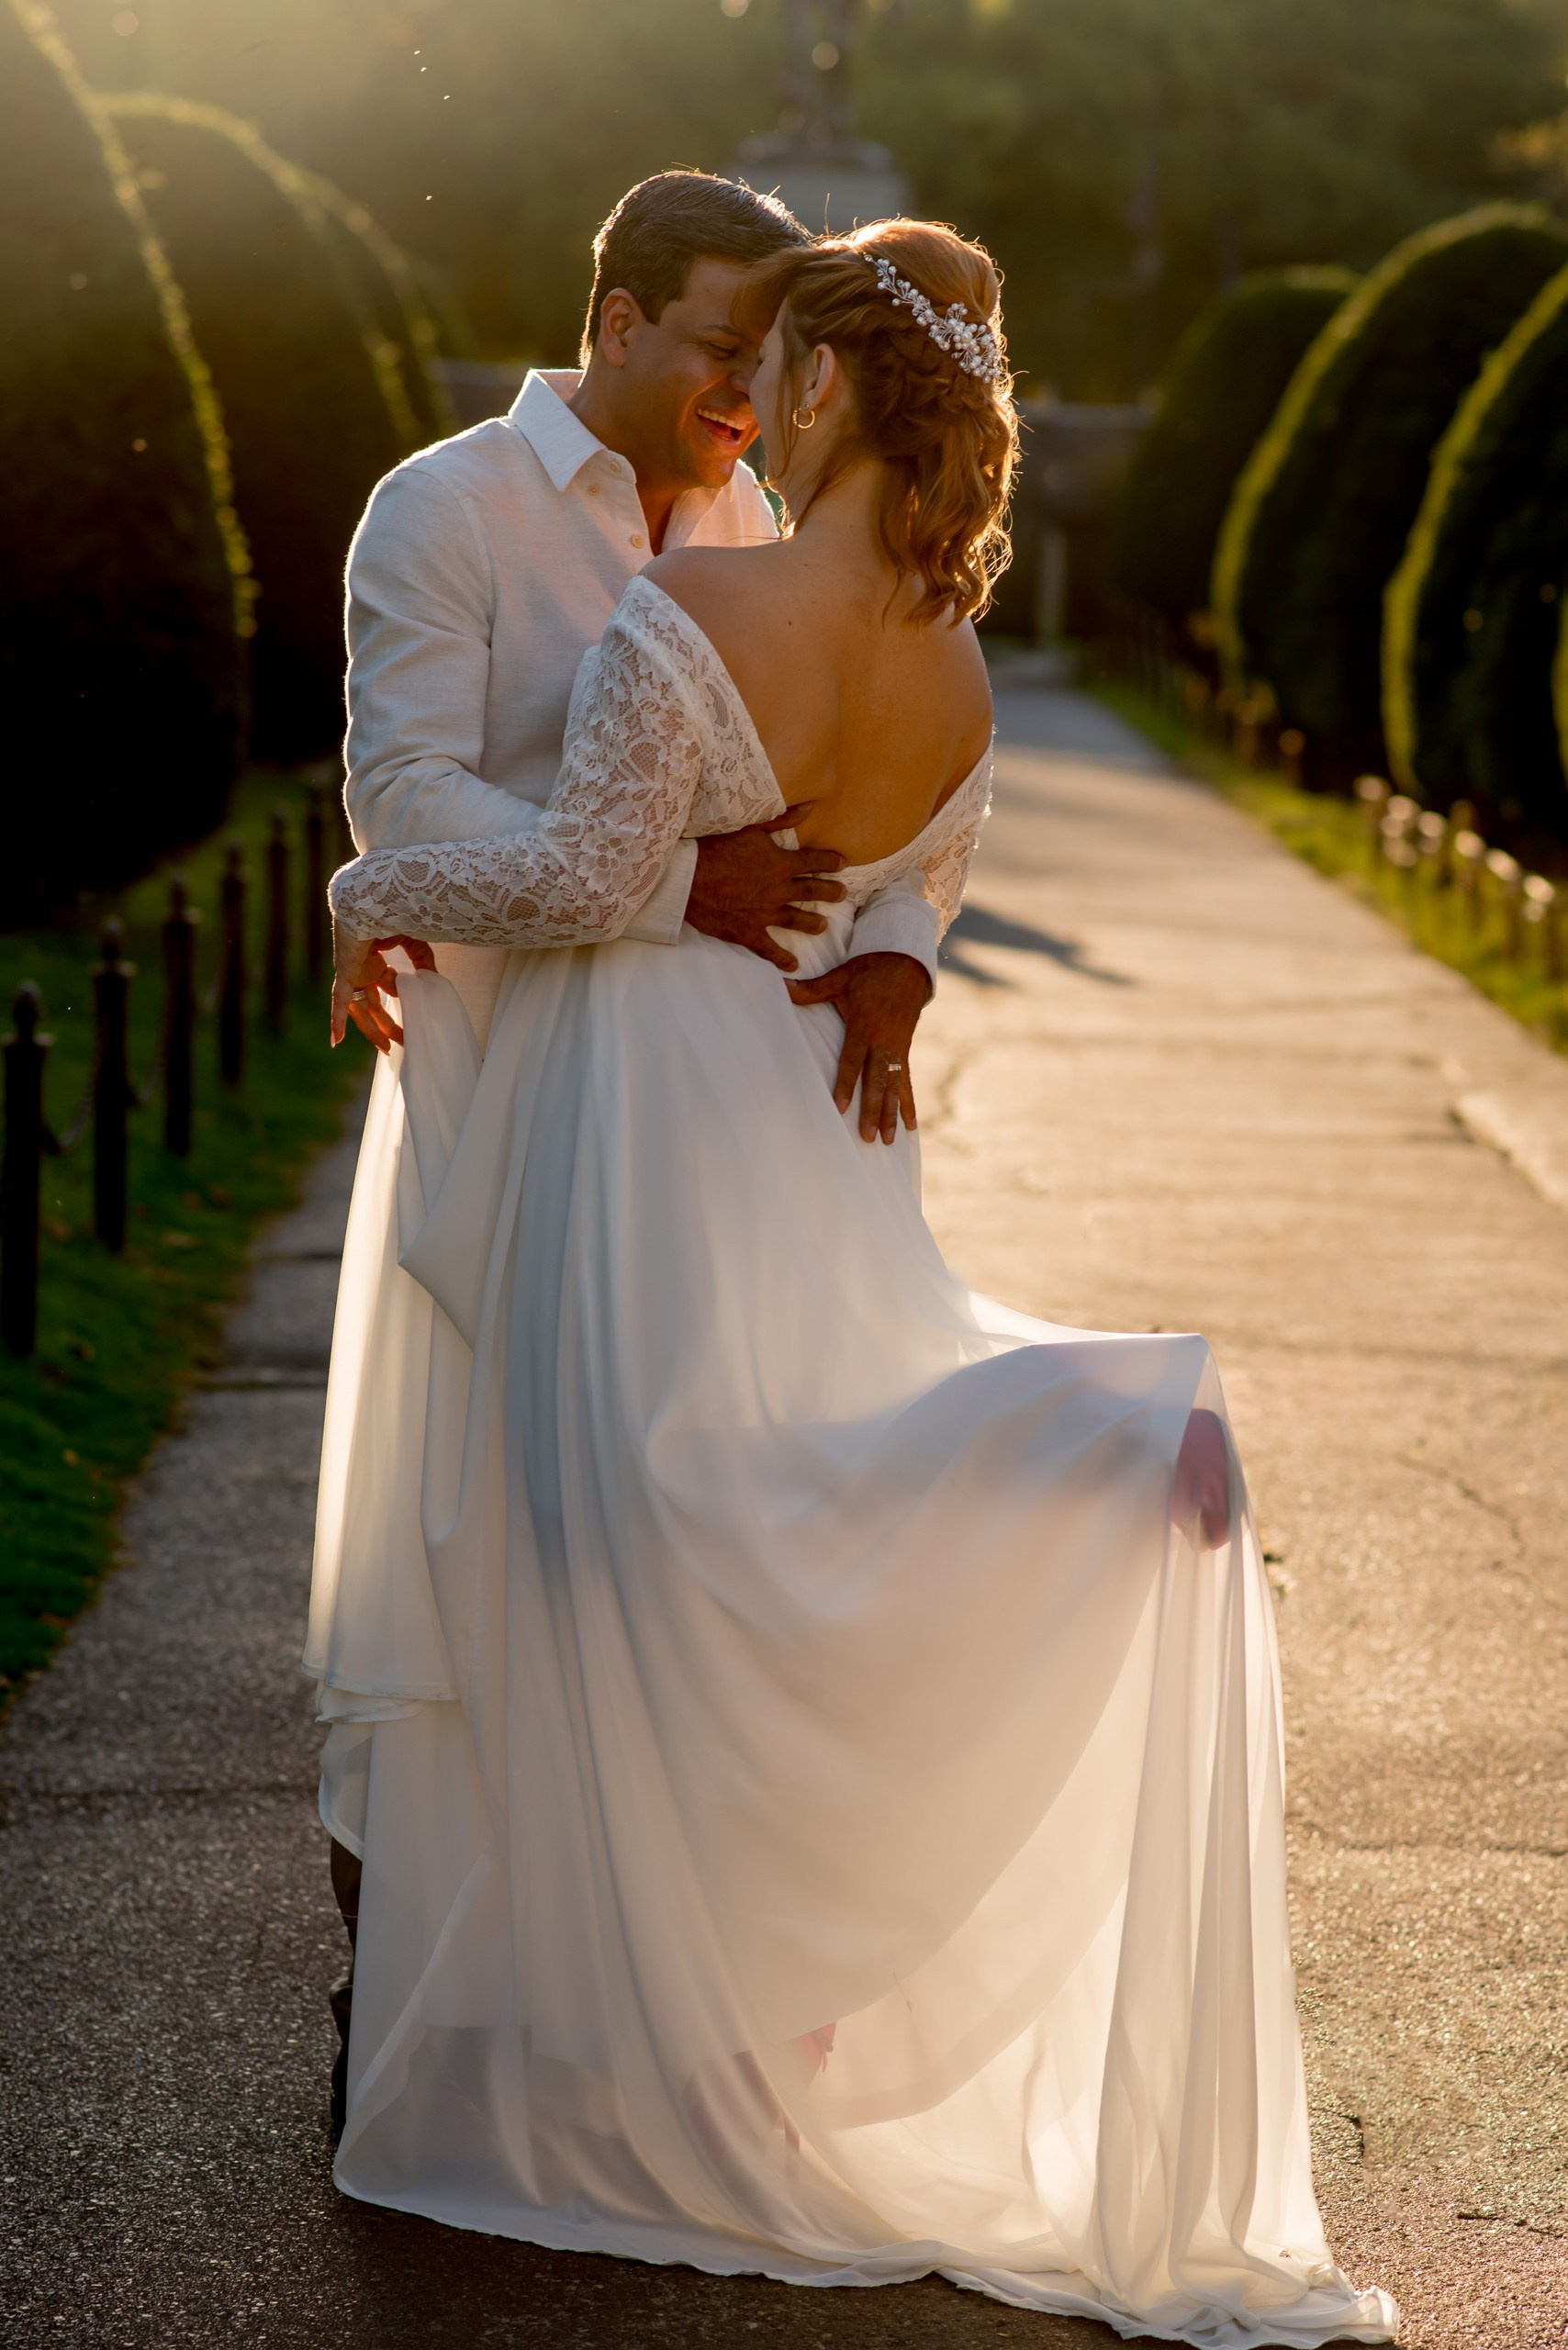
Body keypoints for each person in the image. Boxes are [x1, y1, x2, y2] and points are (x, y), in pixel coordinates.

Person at [307, 218, 1398, 2347]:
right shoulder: (943, 646)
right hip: (791, 1115)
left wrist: (358, 887)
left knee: (638, 1534)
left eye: (770, 356)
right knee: (746, 1502)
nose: (743, 389)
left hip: (651, 1115)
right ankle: (679, 1993)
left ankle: (1081, 1445)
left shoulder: (699, 586)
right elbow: (921, 853)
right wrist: (883, 949)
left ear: (818, 387)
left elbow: (577, 875)